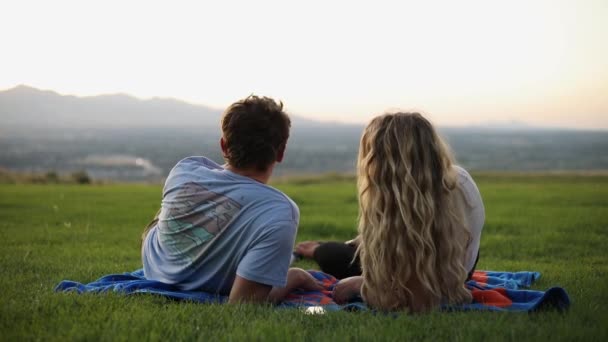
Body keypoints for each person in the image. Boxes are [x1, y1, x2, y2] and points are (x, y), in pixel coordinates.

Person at [142, 95, 322, 304]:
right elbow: (242, 304)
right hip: (202, 284)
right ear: (280, 153)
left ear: (224, 146)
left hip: (153, 268)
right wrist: (295, 277)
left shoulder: (185, 168)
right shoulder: (281, 211)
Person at [297, 112, 485, 312]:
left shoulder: (456, 187)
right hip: (451, 268)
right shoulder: (459, 179)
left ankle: (316, 249)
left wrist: (361, 285)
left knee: (335, 257)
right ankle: (325, 247)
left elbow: (420, 298)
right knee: (350, 249)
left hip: (448, 273)